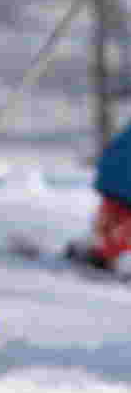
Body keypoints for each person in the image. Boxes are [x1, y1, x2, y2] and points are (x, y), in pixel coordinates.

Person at [66, 117, 131, 277]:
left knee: (109, 222)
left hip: (111, 176)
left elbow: (115, 149)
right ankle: (102, 255)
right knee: (123, 227)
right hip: (123, 182)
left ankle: (96, 249)